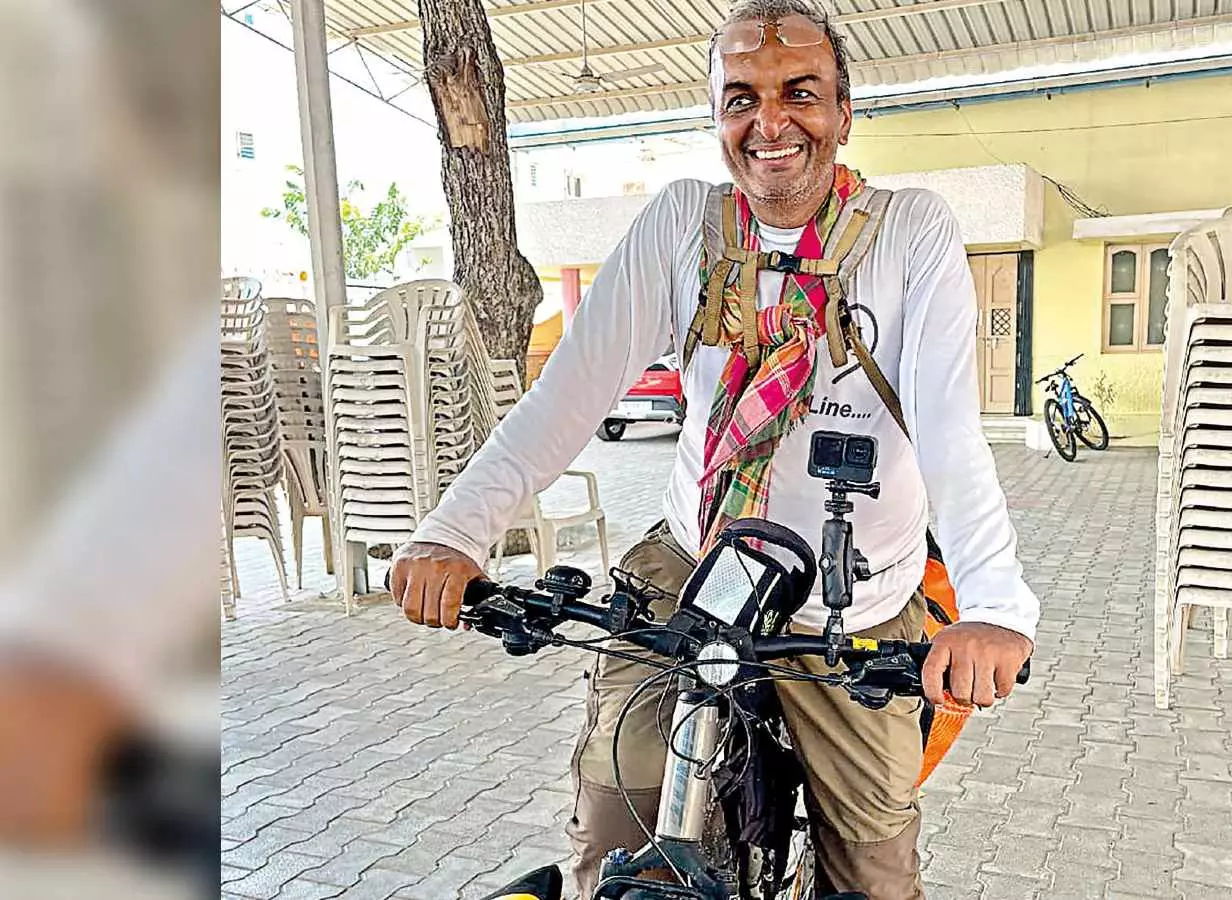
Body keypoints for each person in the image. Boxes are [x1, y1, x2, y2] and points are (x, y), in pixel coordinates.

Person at [390, 1, 1038, 896]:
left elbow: (949, 429)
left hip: (851, 602)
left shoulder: (908, 231)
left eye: (800, 93)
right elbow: (566, 397)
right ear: (717, 117)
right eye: (741, 99)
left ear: (844, 113)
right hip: (695, 562)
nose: (770, 123)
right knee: (614, 818)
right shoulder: (682, 226)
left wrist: (994, 604)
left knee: (873, 866)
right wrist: (454, 531)